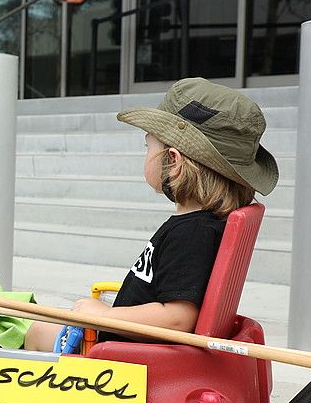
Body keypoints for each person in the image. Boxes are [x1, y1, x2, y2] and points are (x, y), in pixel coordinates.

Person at [24, 78, 277, 352]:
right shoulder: (202, 225)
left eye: (148, 147)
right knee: (36, 322)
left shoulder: (192, 234)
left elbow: (178, 319)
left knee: (35, 333)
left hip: (122, 354)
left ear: (174, 161)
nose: (146, 154)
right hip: (128, 339)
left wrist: (105, 315)